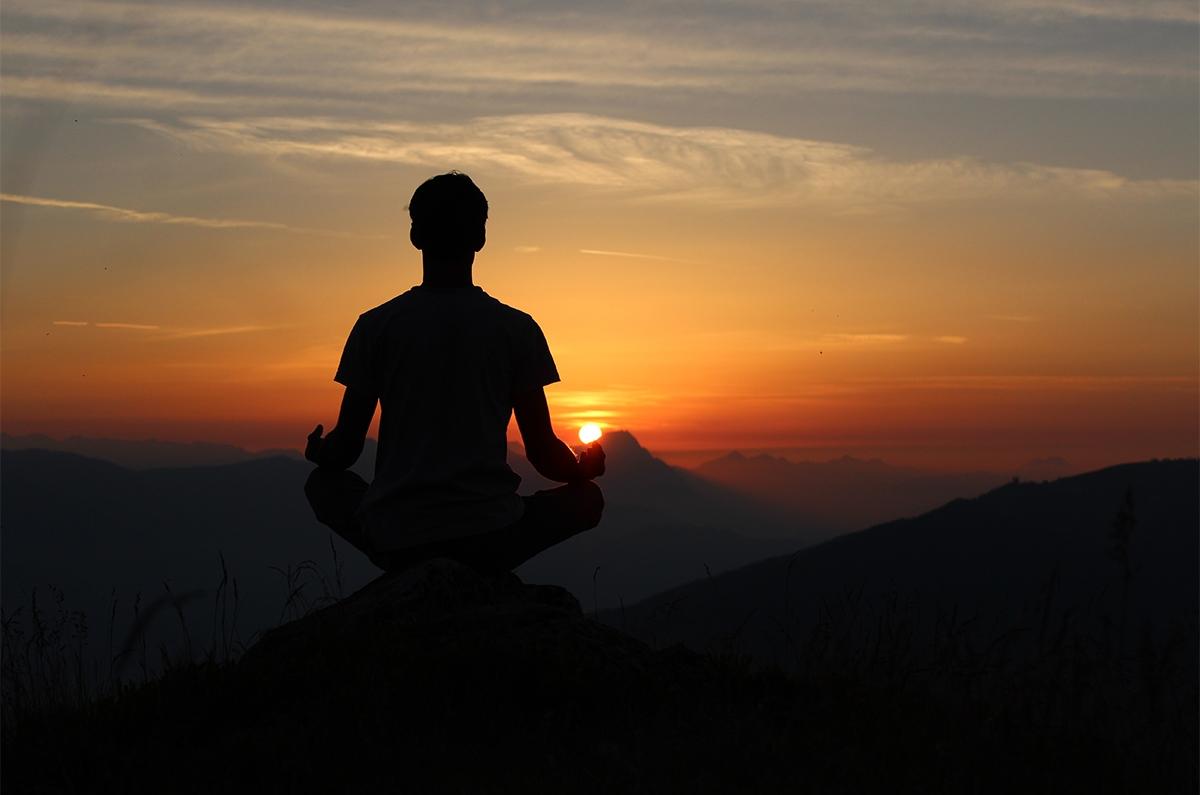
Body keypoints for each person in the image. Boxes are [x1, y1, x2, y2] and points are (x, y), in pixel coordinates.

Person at [303, 172, 605, 574]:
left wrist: (320, 452)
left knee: (321, 485)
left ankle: (412, 571)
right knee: (588, 501)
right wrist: (581, 468)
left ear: (415, 235)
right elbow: (543, 453)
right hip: (491, 536)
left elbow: (345, 450)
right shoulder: (516, 329)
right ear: (480, 238)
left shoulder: (376, 326)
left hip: (397, 536)